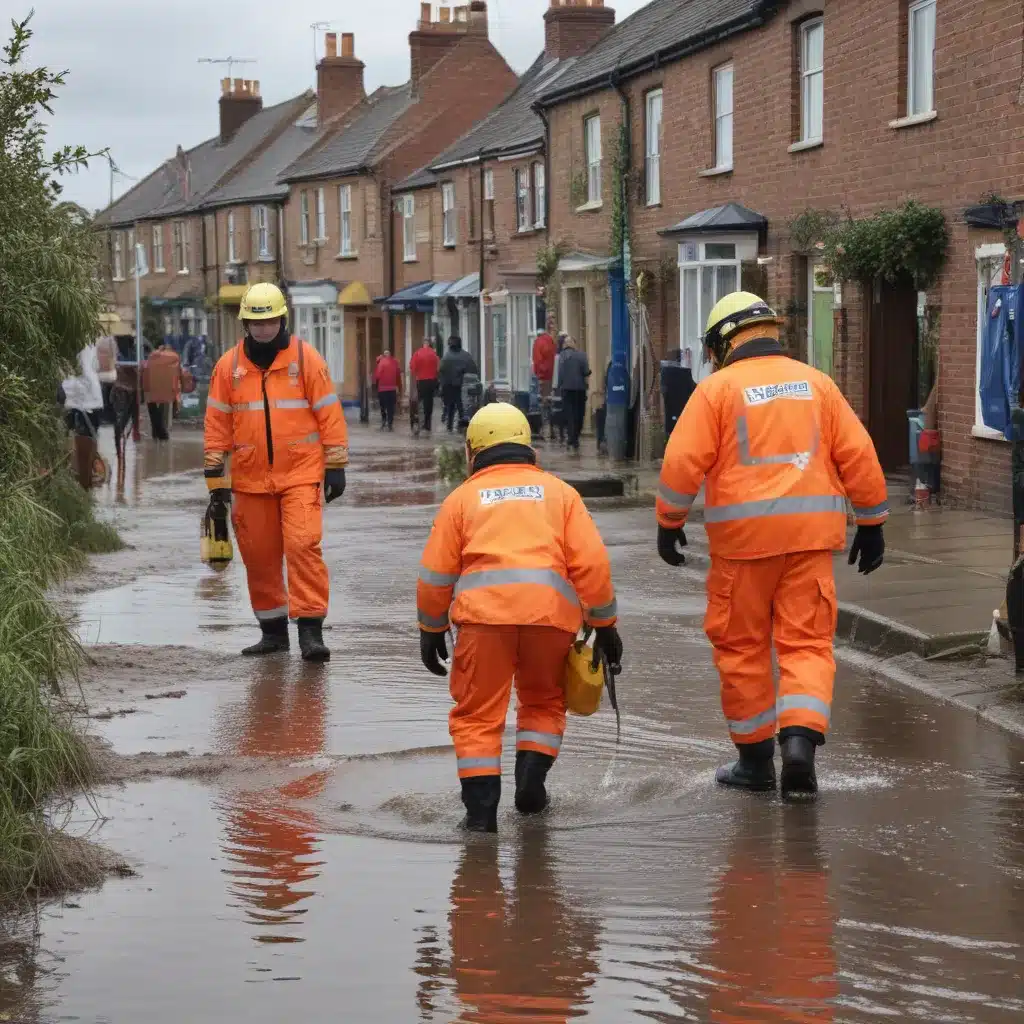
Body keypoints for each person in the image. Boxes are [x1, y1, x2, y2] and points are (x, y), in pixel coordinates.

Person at [655, 291, 888, 799]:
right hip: (809, 545)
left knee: (743, 650)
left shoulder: (717, 391)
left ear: (722, 342)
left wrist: (669, 521)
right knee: (805, 645)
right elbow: (858, 452)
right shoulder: (817, 385)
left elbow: (681, 462)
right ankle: (800, 747)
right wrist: (871, 521)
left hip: (742, 549)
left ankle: (756, 763)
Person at [416, 402, 622, 832]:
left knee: (477, 717)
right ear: (530, 448)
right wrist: (605, 625)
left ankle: (480, 816)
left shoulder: (462, 499)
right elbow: (592, 565)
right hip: (550, 622)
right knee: (544, 702)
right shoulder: (561, 495)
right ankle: (531, 782)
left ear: (473, 452)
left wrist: (431, 628)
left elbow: (435, 574)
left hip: (483, 623)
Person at [203, 282, 349, 662]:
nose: (263, 329)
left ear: (282, 319)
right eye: (256, 322)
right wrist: (216, 480)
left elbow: (329, 413)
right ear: (245, 325)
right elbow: (217, 423)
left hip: (300, 472)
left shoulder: (307, 358)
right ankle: (272, 632)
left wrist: (335, 465)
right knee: (259, 556)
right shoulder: (228, 367)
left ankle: (311, 633)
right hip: (250, 480)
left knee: (303, 546)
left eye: (269, 321)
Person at [60, 343, 105, 490]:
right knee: (86, 444)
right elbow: (97, 365)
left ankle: (82, 483)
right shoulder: (90, 343)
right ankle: (84, 483)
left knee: (70, 443)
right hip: (86, 398)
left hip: (77, 398)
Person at [556, 336, 590, 451]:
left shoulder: (562, 356)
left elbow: (560, 374)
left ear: (565, 344)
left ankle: (571, 438)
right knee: (579, 414)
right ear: (575, 344)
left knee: (569, 414)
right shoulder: (582, 355)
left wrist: (558, 386)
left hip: (566, 389)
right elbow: (586, 372)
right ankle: (575, 437)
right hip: (580, 389)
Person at [142, 342, 182, 441]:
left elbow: (145, 374)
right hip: (167, 390)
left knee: (154, 412)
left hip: (151, 390)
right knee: (163, 413)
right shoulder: (174, 358)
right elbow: (178, 375)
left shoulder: (151, 358)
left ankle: (156, 434)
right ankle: (162, 435)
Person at [439, 335, 478, 433]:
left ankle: (449, 426)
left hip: (449, 386)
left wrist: (442, 387)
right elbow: (473, 370)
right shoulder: (466, 356)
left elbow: (441, 371)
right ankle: (463, 426)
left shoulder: (446, 356)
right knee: (462, 406)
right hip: (461, 386)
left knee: (450, 406)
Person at [409, 338, 441, 432]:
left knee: (421, 400)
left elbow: (412, 367)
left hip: (421, 380)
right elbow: (438, 368)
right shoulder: (434, 354)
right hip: (431, 381)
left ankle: (420, 420)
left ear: (423, 344)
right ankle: (428, 423)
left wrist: (417, 374)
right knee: (429, 401)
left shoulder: (417, 353)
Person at [532, 326, 557, 439]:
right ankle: (552, 429)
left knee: (542, 404)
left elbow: (537, 360)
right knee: (551, 403)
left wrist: (539, 374)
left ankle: (543, 429)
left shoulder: (539, 342)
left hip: (543, 377)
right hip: (552, 377)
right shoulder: (551, 341)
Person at [373, 348, 401, 431]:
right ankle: (390, 423)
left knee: (383, 406)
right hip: (392, 389)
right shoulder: (394, 362)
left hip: (382, 389)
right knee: (391, 407)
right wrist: (399, 387)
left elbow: (377, 376)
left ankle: (384, 419)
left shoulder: (381, 363)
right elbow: (398, 376)